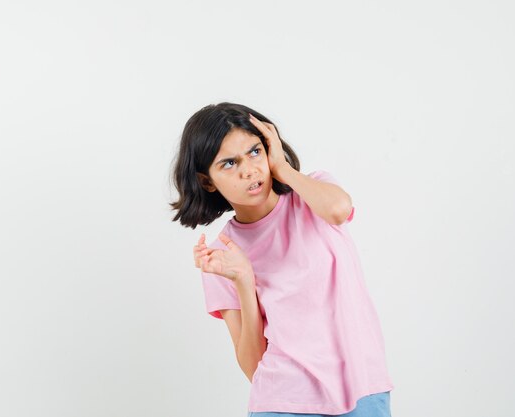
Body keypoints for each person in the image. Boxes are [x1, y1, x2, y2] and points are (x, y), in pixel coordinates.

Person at [169, 102, 394, 417]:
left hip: (362, 388)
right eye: (229, 163)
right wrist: (244, 281)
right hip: (283, 401)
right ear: (207, 181)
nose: (249, 170)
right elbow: (252, 367)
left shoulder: (313, 195)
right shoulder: (222, 254)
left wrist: (283, 169)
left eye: (255, 151)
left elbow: (340, 209)